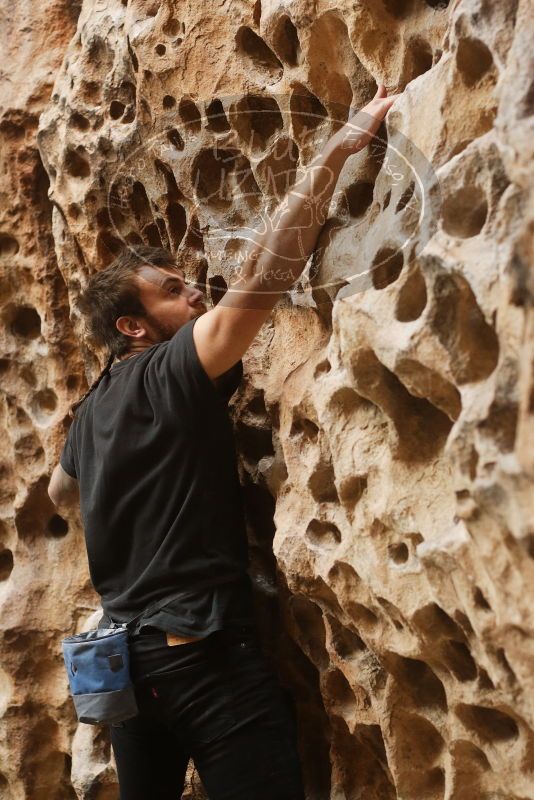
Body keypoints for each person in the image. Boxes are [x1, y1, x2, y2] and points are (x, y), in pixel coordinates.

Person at [48, 85, 399, 800]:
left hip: (127, 672)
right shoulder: (170, 370)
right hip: (201, 658)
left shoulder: (91, 413)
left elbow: (59, 493)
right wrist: (334, 151)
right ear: (134, 329)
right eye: (174, 291)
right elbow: (261, 280)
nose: (197, 292)